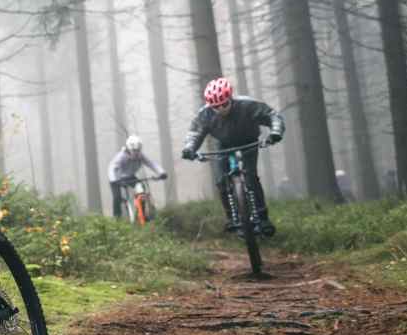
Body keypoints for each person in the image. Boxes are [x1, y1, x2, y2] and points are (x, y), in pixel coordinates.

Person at [180, 77, 284, 236]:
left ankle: (263, 218)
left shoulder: (247, 105)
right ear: (210, 105)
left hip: (248, 142)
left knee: (250, 177)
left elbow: (272, 115)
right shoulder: (205, 114)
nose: (221, 108)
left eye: (225, 104)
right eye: (216, 106)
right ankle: (232, 218)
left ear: (231, 98)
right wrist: (189, 148)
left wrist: (275, 132)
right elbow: (195, 133)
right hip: (224, 144)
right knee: (222, 180)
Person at [107, 135, 166, 218]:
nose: (136, 152)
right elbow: (112, 167)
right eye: (134, 150)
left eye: (138, 150)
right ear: (129, 148)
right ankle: (117, 218)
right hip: (116, 178)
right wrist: (114, 179)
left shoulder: (140, 155)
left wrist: (161, 172)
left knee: (141, 190)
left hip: (130, 177)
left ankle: (141, 214)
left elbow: (151, 164)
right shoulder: (121, 156)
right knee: (117, 198)